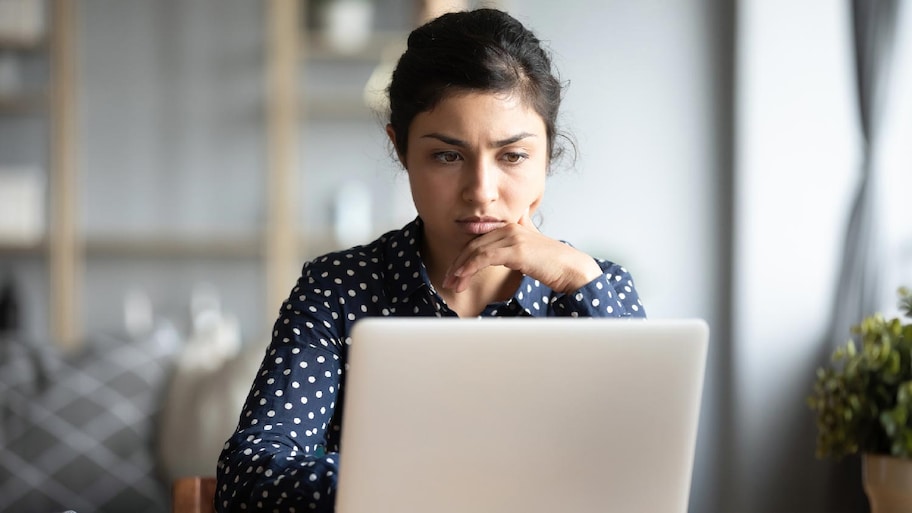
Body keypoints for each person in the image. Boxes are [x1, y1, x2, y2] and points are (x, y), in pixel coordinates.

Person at [215, 8, 646, 512]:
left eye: (513, 156)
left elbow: (641, 475)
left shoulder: (596, 287)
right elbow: (250, 479)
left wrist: (579, 278)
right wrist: (445, 480)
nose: (481, 192)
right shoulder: (339, 288)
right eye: (448, 155)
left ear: (547, 154)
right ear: (401, 149)